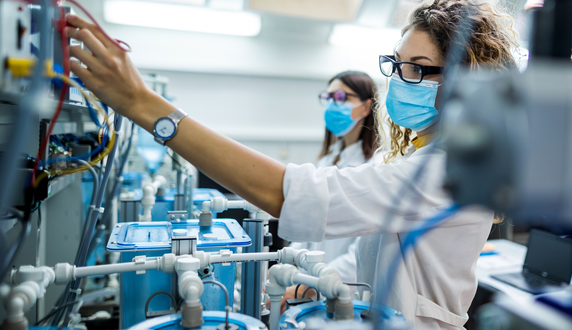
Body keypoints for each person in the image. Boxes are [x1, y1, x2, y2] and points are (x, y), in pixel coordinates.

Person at [63, 0, 519, 328]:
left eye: (417, 68)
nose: (399, 81)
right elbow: (378, 262)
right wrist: (321, 283)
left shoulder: (447, 170)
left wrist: (146, 108)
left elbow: (289, 194)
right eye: (396, 65)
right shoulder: (412, 157)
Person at [287, 71, 379, 303]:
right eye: (328, 98)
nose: (332, 105)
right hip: (311, 282)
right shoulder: (328, 159)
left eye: (341, 97)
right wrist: (288, 265)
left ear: (366, 107)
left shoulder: (375, 166)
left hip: (344, 289)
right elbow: (306, 227)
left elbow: (361, 253)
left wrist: (313, 285)